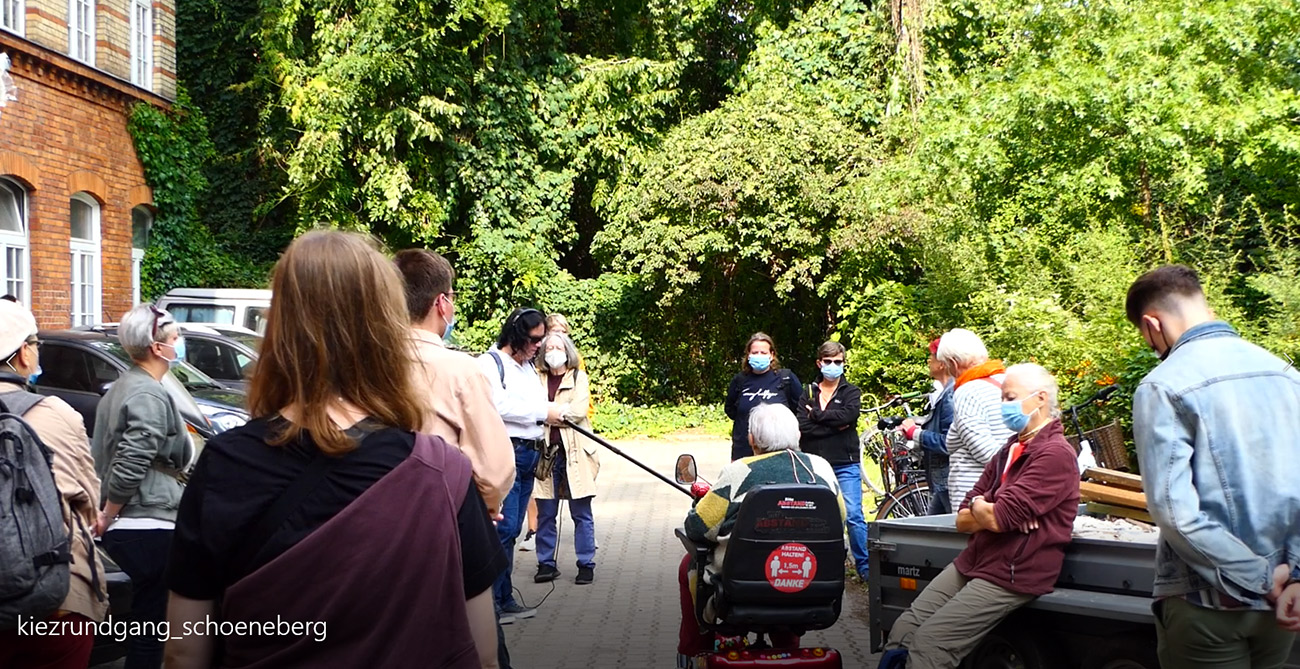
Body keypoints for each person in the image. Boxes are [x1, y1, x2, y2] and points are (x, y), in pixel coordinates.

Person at [164, 230, 505, 668]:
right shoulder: (440, 475)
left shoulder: (225, 465)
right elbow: (483, 654)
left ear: (281, 325)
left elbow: (183, 651)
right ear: (384, 328)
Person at [1126, 265, 1300, 667]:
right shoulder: (1286, 373)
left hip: (1206, 603)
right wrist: (1292, 576)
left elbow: (1174, 510)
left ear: (1153, 324)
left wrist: (1257, 577)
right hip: (1282, 603)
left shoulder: (1162, 384)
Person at [879, 363, 1080, 669]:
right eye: (1001, 397)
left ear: (1040, 399)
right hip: (979, 557)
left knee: (930, 645)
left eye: (1010, 397)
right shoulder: (1010, 448)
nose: (1003, 406)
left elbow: (998, 519)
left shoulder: (1054, 454)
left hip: (1014, 572)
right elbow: (964, 518)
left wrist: (992, 510)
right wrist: (985, 508)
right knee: (904, 630)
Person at [678, 403, 843, 659]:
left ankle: (695, 648)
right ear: (798, 435)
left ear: (752, 439)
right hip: (811, 586)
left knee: (689, 564)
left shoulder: (740, 471)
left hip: (741, 588)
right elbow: (840, 518)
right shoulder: (822, 468)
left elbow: (697, 528)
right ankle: (786, 644)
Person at [0, 300, 108, 668]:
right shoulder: (56, 414)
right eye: (35, 344)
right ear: (23, 355)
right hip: (55, 602)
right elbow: (90, 503)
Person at [91, 303, 194, 669]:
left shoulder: (123, 387)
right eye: (175, 337)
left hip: (131, 525)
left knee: (142, 628)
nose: (179, 343)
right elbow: (133, 459)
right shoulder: (147, 394)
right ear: (156, 346)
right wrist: (109, 512)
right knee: (150, 634)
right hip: (148, 524)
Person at [394, 248, 514, 515]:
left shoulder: (363, 365)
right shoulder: (461, 372)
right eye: (452, 296)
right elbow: (495, 469)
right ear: (441, 303)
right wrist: (484, 512)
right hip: (438, 517)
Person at [478, 307, 562, 625]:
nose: (539, 345)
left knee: (512, 530)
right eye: (534, 338)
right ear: (517, 335)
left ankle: (505, 597)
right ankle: (490, 603)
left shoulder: (526, 367)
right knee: (504, 528)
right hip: (506, 451)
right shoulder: (490, 364)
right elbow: (497, 405)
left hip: (530, 453)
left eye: (542, 338)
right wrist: (543, 410)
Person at [532, 332, 600, 586]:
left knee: (581, 512)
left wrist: (547, 412)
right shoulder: (535, 378)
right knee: (546, 512)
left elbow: (579, 410)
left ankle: (586, 563)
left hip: (576, 455)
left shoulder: (578, 377)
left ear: (567, 350)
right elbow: (530, 407)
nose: (552, 350)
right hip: (545, 455)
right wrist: (553, 412)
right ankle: (546, 563)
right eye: (548, 346)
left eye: (558, 346)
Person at [796, 341, 866, 580]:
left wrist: (816, 415)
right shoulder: (807, 392)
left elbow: (849, 415)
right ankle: (818, 566)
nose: (833, 366)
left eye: (838, 362)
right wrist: (834, 424)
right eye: (828, 362)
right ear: (819, 363)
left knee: (854, 516)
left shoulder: (851, 392)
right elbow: (802, 427)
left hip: (845, 463)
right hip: (813, 464)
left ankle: (865, 568)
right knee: (815, 517)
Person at [936, 329, 1010, 511]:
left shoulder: (967, 391)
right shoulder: (1007, 380)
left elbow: (984, 451)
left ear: (953, 363)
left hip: (980, 498)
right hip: (1007, 492)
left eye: (946, 365)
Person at [724, 333, 803, 461]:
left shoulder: (786, 379)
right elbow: (731, 410)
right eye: (755, 353)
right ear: (748, 355)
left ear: (771, 355)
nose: (759, 356)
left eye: (763, 352)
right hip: (743, 451)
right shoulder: (739, 380)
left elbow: (799, 408)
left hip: (780, 452)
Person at [901, 338, 955, 515]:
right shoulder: (945, 392)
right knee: (931, 531)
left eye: (931, 356)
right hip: (942, 481)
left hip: (948, 481)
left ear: (942, 363)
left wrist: (914, 433)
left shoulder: (949, 396)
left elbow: (948, 442)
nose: (928, 360)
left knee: (952, 536)